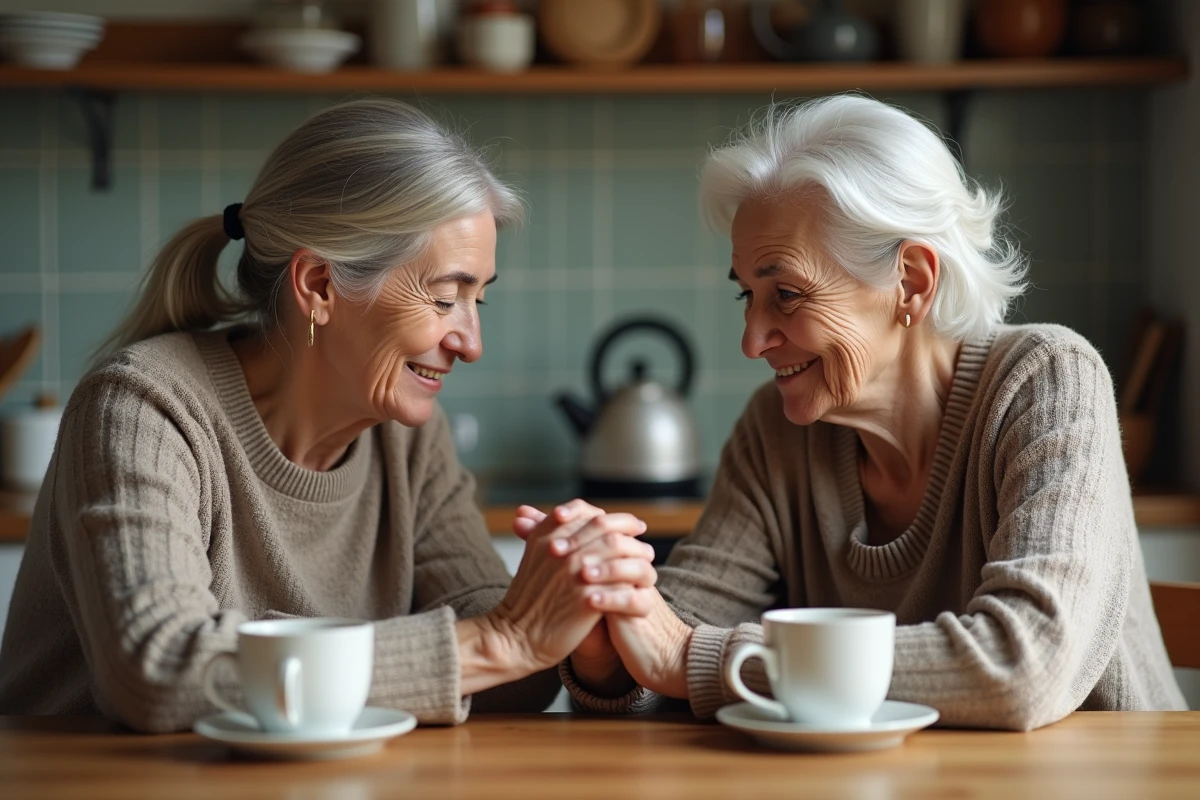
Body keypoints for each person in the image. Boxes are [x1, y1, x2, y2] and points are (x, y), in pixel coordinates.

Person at [0, 98, 656, 732]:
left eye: (479, 300)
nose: (471, 342)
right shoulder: (145, 408)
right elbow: (158, 669)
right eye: (444, 298)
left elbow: (506, 665)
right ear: (318, 286)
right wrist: (503, 639)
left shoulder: (411, 438)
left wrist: (571, 618)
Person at [546, 95, 1187, 730]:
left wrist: (695, 657)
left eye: (787, 294)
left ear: (910, 282)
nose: (751, 339)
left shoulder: (1046, 382)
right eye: (749, 295)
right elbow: (672, 645)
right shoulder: (775, 431)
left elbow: (1022, 666)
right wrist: (613, 644)